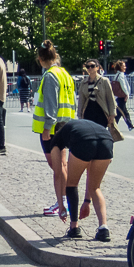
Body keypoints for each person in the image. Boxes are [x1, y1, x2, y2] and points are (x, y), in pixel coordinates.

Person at [32, 40, 77, 220]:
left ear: (41, 59)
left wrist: (46, 129)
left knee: (58, 168)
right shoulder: (64, 74)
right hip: (66, 123)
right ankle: (64, 200)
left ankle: (62, 202)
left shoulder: (50, 76)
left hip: (52, 128)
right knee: (61, 166)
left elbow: (50, 104)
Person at [51, 117, 115, 241]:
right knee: (95, 187)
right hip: (107, 140)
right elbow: (90, 172)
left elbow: (58, 175)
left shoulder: (58, 138)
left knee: (72, 185)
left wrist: (61, 205)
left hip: (84, 141)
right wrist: (86, 201)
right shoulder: (79, 126)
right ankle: (103, 228)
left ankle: (74, 227)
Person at [111, 61, 134, 130]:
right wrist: (127, 94)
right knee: (123, 112)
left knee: (120, 112)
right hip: (122, 96)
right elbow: (123, 86)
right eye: (124, 66)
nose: (125, 67)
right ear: (120, 67)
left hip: (118, 96)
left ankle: (114, 126)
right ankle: (129, 125)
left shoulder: (117, 75)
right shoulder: (121, 75)